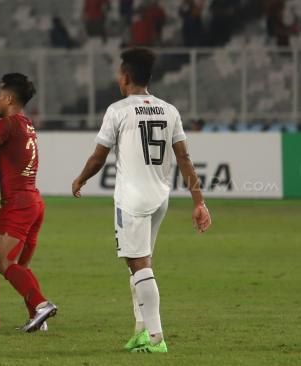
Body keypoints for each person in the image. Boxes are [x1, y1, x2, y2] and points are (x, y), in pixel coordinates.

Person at [71, 48, 212, 353]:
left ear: (126, 77)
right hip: (160, 196)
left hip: (132, 199)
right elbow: (184, 157)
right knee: (137, 265)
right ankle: (140, 331)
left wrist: (81, 179)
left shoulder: (118, 110)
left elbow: (99, 157)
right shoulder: (169, 110)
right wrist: (199, 201)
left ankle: (157, 338)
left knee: (140, 265)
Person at [0, 73, 57, 333]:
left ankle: (41, 305)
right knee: (21, 266)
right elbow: (2, 160)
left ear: (8, 98)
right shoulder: (26, 124)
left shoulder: (8, 123)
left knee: (6, 265)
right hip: (34, 202)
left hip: (17, 204)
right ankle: (37, 316)